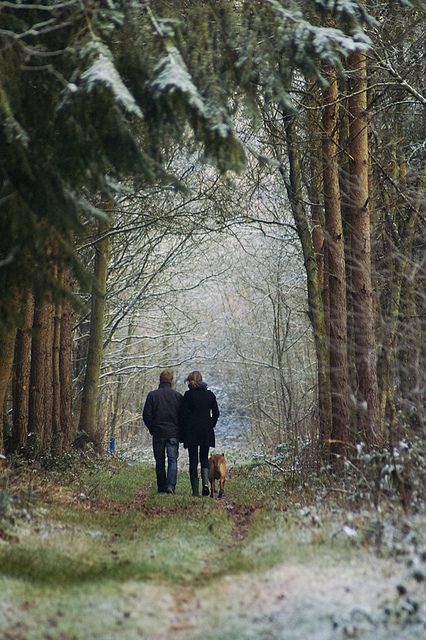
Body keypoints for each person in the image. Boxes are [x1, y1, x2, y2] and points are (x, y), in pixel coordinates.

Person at [180, 370, 220, 496]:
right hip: (205, 431)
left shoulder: (188, 395)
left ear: (190, 381)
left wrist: (184, 429)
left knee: (193, 460)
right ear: (201, 380)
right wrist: (211, 424)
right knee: (204, 458)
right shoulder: (210, 395)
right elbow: (216, 413)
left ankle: (195, 491)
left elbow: (183, 415)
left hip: (191, 431)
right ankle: (206, 485)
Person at [142, 370, 183, 494]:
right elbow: (183, 417)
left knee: (159, 461)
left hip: (158, 433)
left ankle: (161, 487)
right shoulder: (178, 396)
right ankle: (170, 486)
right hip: (173, 433)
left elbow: (146, 416)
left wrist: (152, 429)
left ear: (160, 380)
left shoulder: (152, 395)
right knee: (172, 460)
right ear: (171, 381)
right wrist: (179, 431)